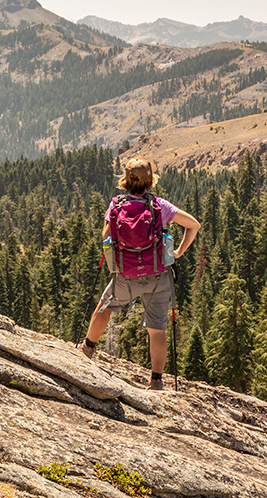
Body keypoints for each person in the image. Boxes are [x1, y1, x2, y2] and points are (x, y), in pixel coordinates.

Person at [76, 158, 200, 390]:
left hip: (126, 276)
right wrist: (179, 251)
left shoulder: (116, 206)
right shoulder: (159, 206)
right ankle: (156, 381)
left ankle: (87, 349)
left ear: (125, 181)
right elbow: (194, 225)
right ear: (150, 182)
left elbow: (106, 236)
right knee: (157, 329)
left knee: (104, 308)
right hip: (158, 276)